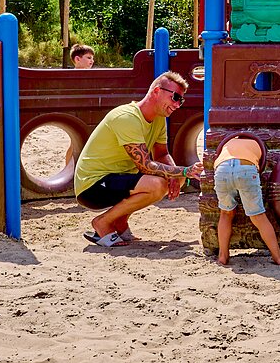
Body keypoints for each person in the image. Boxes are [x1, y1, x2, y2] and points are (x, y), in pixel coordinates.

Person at [74, 70, 203, 247]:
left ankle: (119, 222)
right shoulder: (127, 117)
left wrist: (176, 175)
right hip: (92, 186)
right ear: (157, 91)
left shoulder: (158, 119)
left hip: (118, 180)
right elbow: (145, 165)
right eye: (175, 97)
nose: (178, 104)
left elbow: (162, 154)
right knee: (157, 184)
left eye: (181, 100)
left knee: (175, 178)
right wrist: (186, 171)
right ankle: (102, 222)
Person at [213, 136, 280, 266]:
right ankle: (278, 258)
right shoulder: (255, 142)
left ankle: (223, 257)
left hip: (222, 169)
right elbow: (262, 165)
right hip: (245, 167)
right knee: (258, 215)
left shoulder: (230, 142)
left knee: (225, 213)